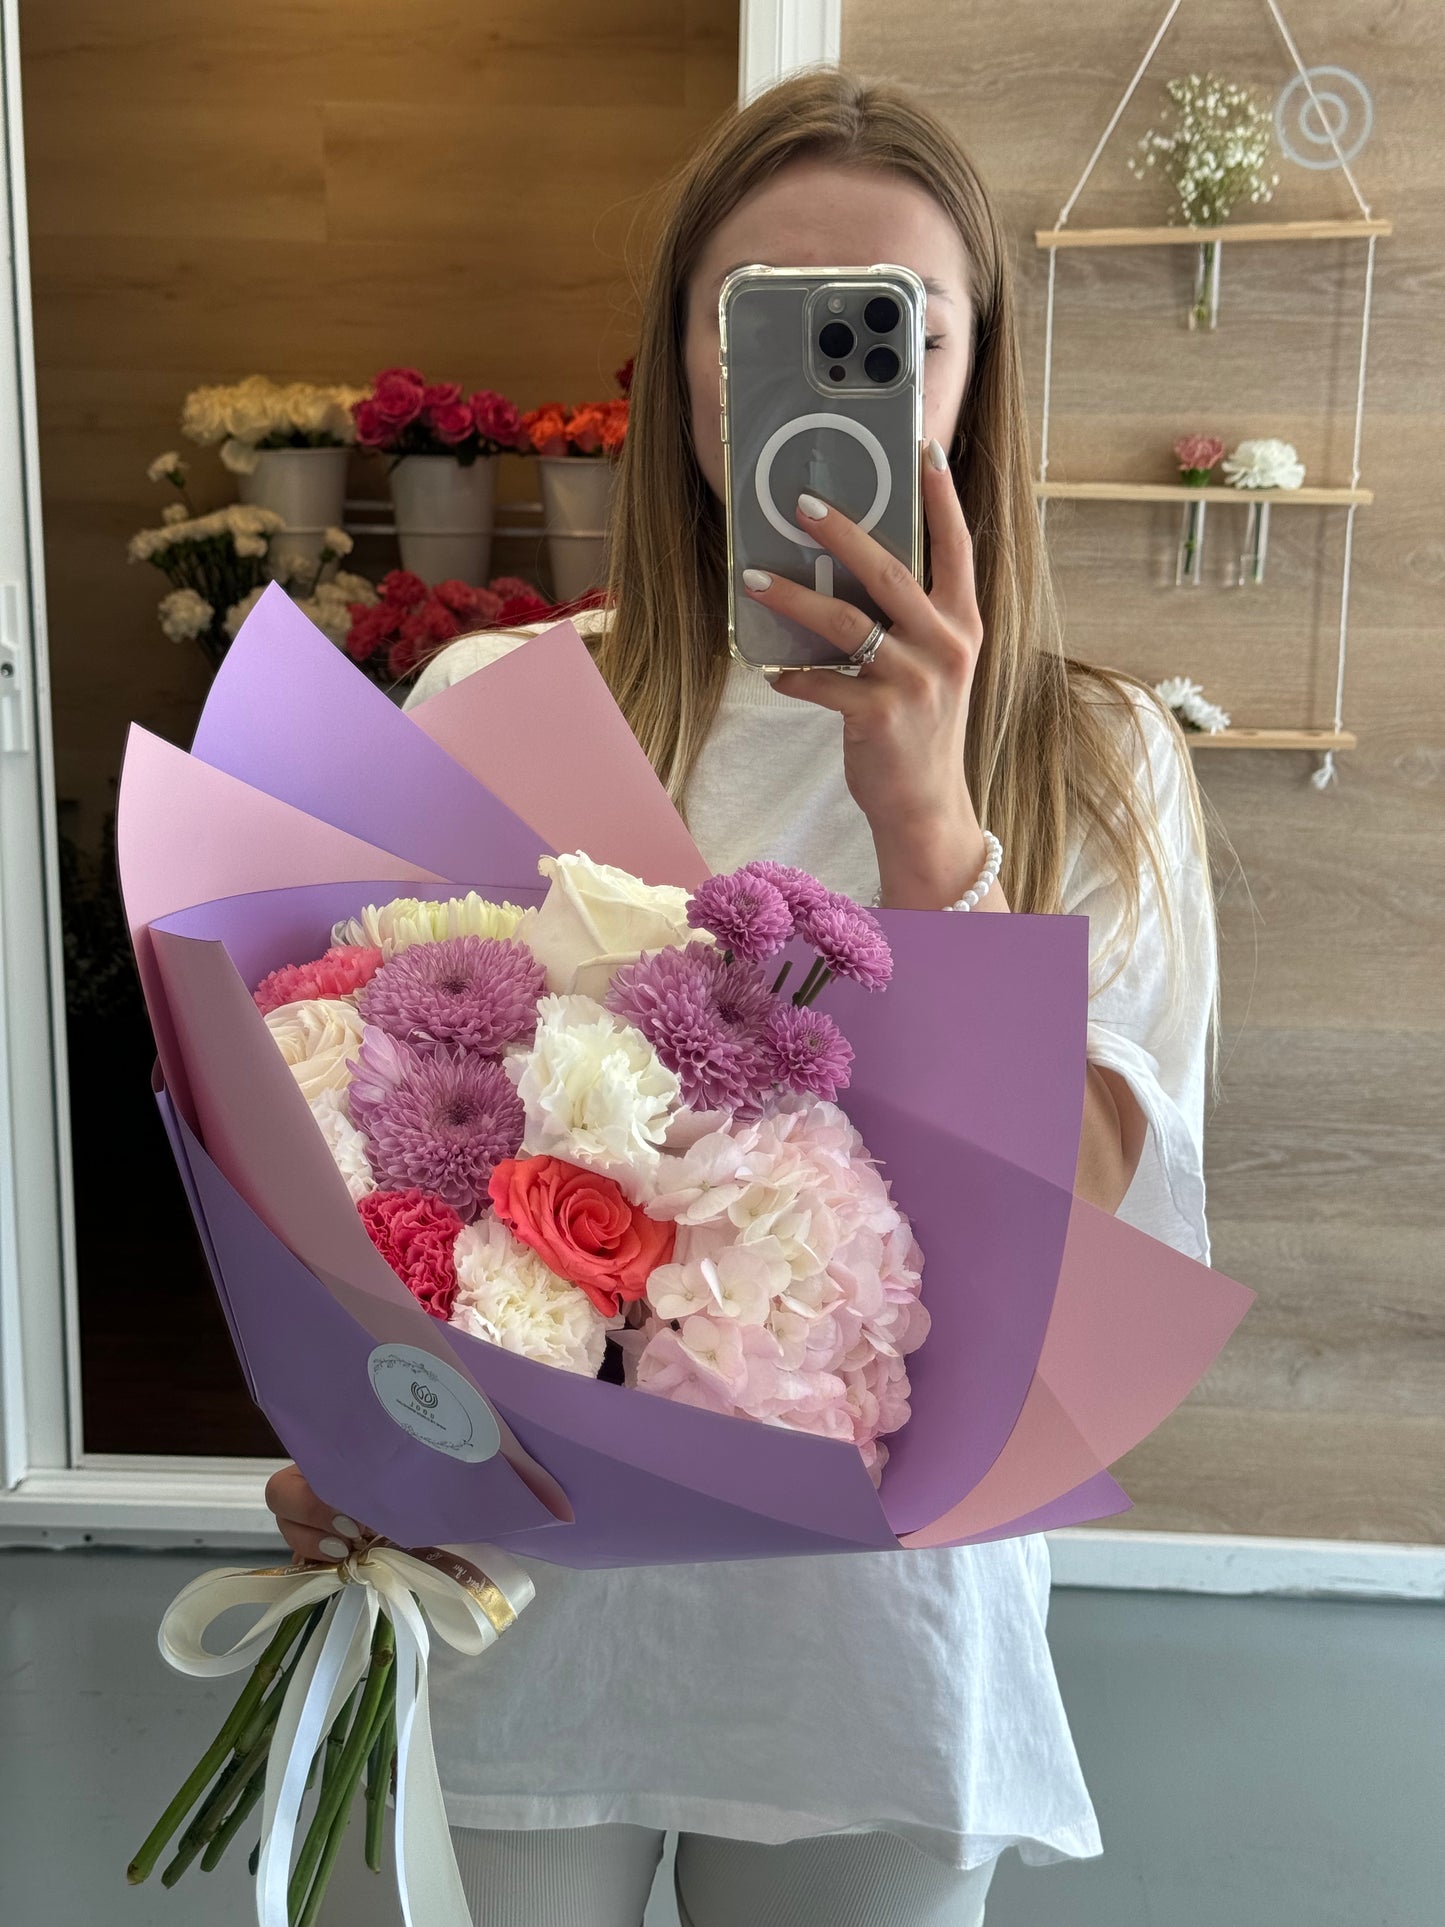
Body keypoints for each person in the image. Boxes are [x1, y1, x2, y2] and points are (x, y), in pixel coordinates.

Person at [265, 68, 1223, 1927]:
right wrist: (341, 1419)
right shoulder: (498, 706)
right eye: (752, 325)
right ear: (675, 364)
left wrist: (931, 824)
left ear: (969, 377)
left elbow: (1086, 1237)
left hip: (881, 1606)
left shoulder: (1092, 758)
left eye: (893, 334)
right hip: (525, 1573)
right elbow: (337, 1122)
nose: (813, 386)